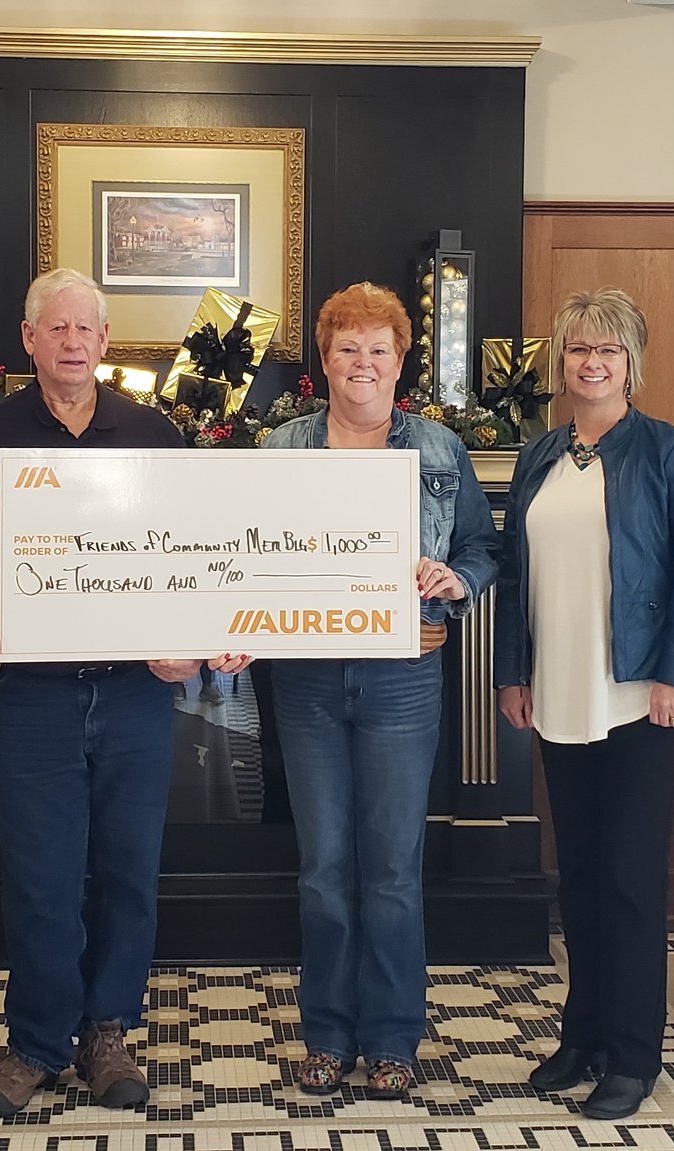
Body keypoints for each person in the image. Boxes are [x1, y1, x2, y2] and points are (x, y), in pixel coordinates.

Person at [0, 267, 244, 1118]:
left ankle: (107, 1030)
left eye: (83, 330)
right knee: (40, 876)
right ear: (28, 340)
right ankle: (33, 1043)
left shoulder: (154, 433)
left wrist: (190, 649)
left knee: (129, 872)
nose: (69, 343)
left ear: (103, 343)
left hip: (135, 697)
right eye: (53, 329)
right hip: (26, 699)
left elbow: (190, 553)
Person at [262, 281, 499, 1098]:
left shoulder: (440, 449)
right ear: (324, 360)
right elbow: (247, 551)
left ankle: (394, 1036)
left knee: (394, 866)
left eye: (379, 349)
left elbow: (480, 548)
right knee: (324, 864)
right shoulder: (281, 447)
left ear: (401, 360)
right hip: (306, 679)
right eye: (347, 348)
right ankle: (327, 1033)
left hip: (404, 675)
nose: (363, 363)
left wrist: (453, 579)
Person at [495, 287, 674, 1120]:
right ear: (561, 359)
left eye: (609, 351)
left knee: (629, 878)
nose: (592, 363)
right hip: (559, 693)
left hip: (642, 698)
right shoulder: (540, 455)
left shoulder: (669, 450)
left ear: (632, 363)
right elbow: (518, 577)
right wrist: (512, 674)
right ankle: (583, 1034)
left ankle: (633, 1055)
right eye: (579, 349)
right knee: (583, 875)